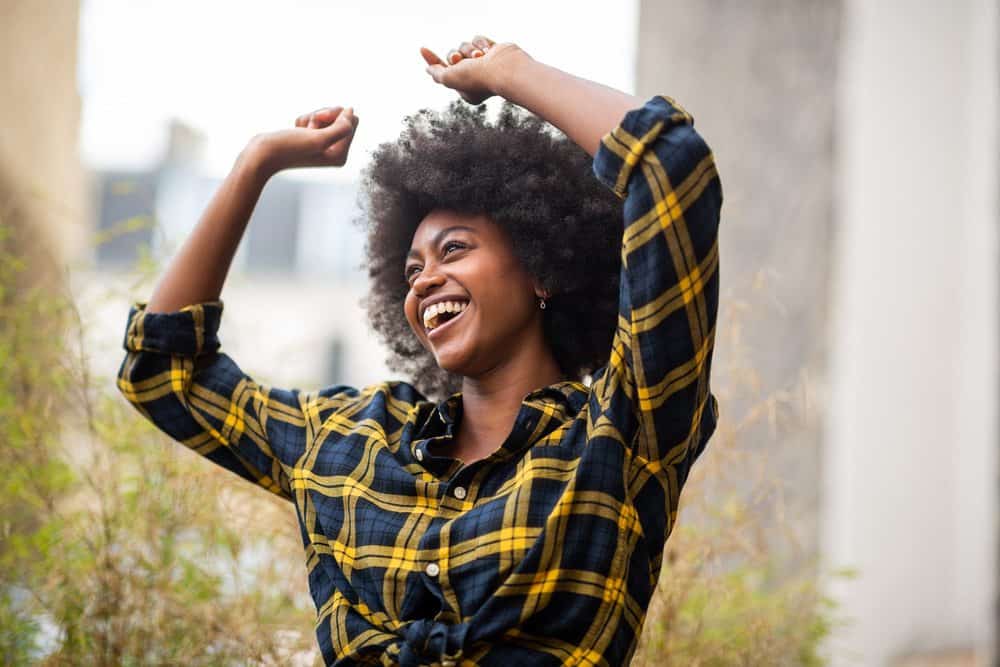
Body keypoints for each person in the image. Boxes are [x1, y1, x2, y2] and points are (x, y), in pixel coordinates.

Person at [116, 35, 722, 667]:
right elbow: (165, 372)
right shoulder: (350, 441)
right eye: (410, 271)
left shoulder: (622, 433)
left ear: (542, 268)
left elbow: (672, 168)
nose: (425, 279)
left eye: (454, 249)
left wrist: (513, 74)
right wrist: (256, 164)